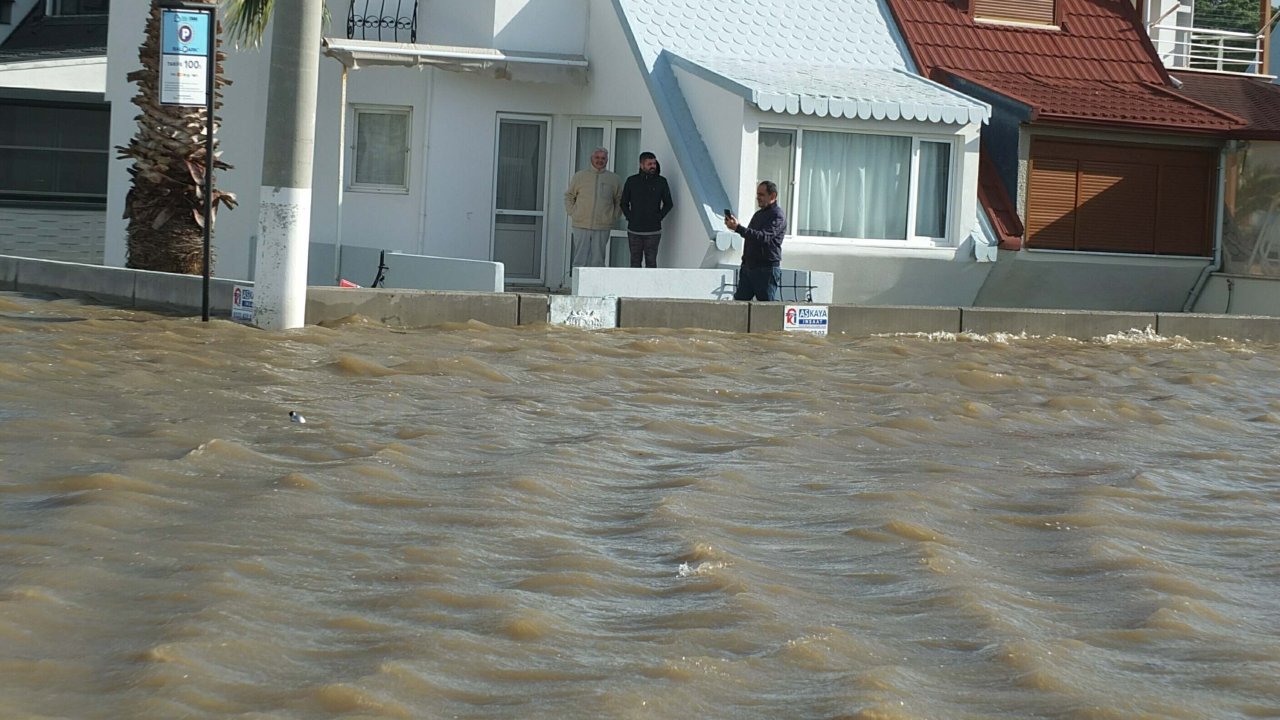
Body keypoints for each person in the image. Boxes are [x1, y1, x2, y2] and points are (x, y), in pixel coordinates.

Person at [725, 181, 786, 301]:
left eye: (761, 194)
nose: (758, 198)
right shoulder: (758, 215)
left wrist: (738, 228)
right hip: (749, 267)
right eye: (757, 194)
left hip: (766, 269)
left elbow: (763, 237)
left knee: (764, 308)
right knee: (739, 306)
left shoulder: (777, 215)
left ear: (773, 196)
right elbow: (751, 237)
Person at [564, 147, 623, 271]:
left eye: (603, 158)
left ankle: (596, 283)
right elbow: (569, 195)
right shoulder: (580, 176)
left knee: (598, 260)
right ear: (591, 158)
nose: (600, 160)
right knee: (580, 259)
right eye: (597, 157)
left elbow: (619, 200)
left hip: (602, 225)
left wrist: (613, 216)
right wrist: (573, 212)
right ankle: (578, 282)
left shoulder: (614, 179)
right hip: (581, 224)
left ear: (607, 160)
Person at [620, 151, 673, 268]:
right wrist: (630, 217)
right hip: (634, 230)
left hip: (653, 231)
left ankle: (650, 282)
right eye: (649, 164)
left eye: (654, 163)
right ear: (641, 165)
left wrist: (658, 217)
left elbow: (669, 204)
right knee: (635, 262)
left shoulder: (661, 182)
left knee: (651, 262)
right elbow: (623, 203)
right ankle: (635, 281)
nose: (653, 166)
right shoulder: (632, 181)